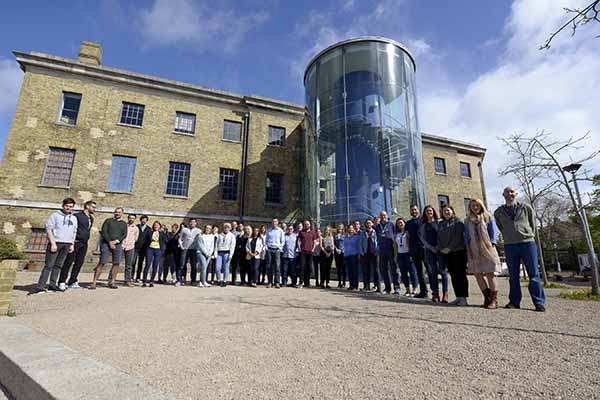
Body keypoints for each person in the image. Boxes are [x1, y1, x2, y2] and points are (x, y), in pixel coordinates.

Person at [494, 187, 546, 312]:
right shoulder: (498, 212)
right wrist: (508, 236)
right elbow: (500, 227)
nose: (509, 194)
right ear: (503, 194)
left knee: (533, 274)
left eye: (512, 192)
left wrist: (526, 234)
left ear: (515, 194)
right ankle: (514, 301)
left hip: (527, 244)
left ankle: (538, 302)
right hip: (510, 245)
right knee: (513, 275)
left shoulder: (525, 207)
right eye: (507, 192)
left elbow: (532, 224)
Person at [34, 198, 78, 293]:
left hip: (66, 244)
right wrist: (53, 243)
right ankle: (40, 286)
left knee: (58, 265)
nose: (68, 208)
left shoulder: (74, 218)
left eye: (71, 206)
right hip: (56, 242)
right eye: (67, 206)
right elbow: (49, 229)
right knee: (49, 265)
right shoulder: (55, 215)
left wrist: (72, 244)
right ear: (63, 206)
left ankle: (52, 285)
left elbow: (74, 232)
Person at [465, 199, 501, 309]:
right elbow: (466, 236)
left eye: (477, 205)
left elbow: (493, 234)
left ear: (481, 206)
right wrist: (468, 248)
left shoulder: (488, 217)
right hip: (473, 248)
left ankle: (494, 300)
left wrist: (492, 246)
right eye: (473, 206)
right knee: (477, 274)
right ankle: (487, 298)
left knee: (490, 274)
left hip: (487, 247)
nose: (475, 207)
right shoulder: (467, 221)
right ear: (470, 207)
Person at [58, 200, 95, 290]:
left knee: (79, 263)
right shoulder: (77, 216)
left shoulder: (91, 218)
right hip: (76, 242)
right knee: (68, 262)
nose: (94, 209)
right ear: (87, 206)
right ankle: (62, 281)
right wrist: (72, 242)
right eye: (93, 207)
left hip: (84, 243)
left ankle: (72, 281)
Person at [438, 206, 469, 306]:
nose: (446, 212)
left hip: (458, 252)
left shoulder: (458, 223)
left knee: (460, 275)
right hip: (446, 253)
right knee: (453, 276)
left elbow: (458, 237)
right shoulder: (441, 224)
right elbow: (438, 237)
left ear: (452, 211)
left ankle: (463, 298)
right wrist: (441, 248)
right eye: (444, 211)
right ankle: (458, 297)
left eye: (448, 210)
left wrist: (449, 248)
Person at [90, 207, 127, 290]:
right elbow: (104, 232)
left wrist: (116, 241)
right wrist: (110, 241)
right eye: (116, 212)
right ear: (114, 212)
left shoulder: (124, 223)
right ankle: (94, 282)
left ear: (122, 213)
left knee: (116, 263)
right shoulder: (108, 221)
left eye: (119, 212)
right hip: (106, 244)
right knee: (102, 262)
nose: (117, 213)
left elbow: (124, 234)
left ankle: (112, 282)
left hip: (117, 244)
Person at [419, 205, 448, 303]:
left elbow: (443, 236)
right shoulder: (423, 226)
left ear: (433, 212)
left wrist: (439, 247)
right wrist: (431, 248)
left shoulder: (439, 223)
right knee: (433, 272)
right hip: (430, 251)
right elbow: (423, 239)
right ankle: (435, 293)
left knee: (443, 272)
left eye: (430, 211)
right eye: (427, 211)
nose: (429, 213)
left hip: (441, 250)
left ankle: (445, 294)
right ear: (425, 213)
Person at [406, 205, 428, 298]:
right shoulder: (408, 223)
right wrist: (409, 248)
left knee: (429, 269)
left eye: (415, 209)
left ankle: (435, 292)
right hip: (414, 249)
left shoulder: (423, 220)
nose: (414, 211)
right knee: (419, 271)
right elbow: (408, 236)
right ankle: (424, 291)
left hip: (424, 248)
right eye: (412, 210)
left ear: (418, 210)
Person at [375, 211, 400, 294]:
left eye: (384, 215)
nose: (383, 217)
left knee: (394, 269)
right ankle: (387, 288)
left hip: (391, 249)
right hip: (382, 250)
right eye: (381, 216)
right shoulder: (378, 226)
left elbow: (396, 235)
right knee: (383, 269)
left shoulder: (391, 224)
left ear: (387, 216)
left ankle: (397, 288)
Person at [393, 218, 418, 296]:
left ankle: (415, 289)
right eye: (398, 223)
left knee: (412, 272)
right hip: (400, 255)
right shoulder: (397, 234)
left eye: (401, 222)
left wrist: (411, 254)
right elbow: (395, 246)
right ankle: (407, 289)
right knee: (403, 273)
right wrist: (396, 256)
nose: (400, 224)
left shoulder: (408, 233)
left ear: (404, 223)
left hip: (408, 254)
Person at [142, 221, 167, 287]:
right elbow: (146, 241)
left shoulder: (162, 233)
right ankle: (144, 281)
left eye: (158, 225)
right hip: (150, 249)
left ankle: (151, 281)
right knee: (147, 264)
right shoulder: (150, 232)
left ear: (160, 226)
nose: (156, 226)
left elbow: (166, 240)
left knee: (155, 265)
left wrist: (164, 232)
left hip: (158, 250)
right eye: (155, 225)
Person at [178, 218, 201, 286]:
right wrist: (181, 246)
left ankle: (193, 280)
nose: (192, 223)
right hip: (185, 249)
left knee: (193, 265)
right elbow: (180, 239)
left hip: (194, 250)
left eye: (193, 222)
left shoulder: (199, 231)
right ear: (189, 223)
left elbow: (201, 241)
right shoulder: (184, 229)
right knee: (182, 264)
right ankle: (181, 279)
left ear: (196, 223)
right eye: (191, 222)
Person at [360, 219, 379, 292]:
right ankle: (366, 286)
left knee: (375, 270)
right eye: (367, 223)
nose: (368, 224)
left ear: (372, 224)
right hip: (365, 253)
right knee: (366, 270)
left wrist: (376, 250)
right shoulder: (363, 233)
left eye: (370, 223)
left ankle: (376, 285)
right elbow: (360, 243)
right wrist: (362, 252)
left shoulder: (375, 232)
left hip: (374, 253)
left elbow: (378, 241)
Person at [265, 218, 285, 288]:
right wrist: (266, 248)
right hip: (269, 250)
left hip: (277, 250)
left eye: (275, 221)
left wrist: (280, 248)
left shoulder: (280, 231)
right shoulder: (269, 230)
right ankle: (270, 282)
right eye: (273, 221)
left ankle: (277, 282)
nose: (274, 222)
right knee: (269, 267)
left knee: (277, 267)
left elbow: (282, 241)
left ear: (277, 222)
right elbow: (266, 240)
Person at [122, 214, 139, 287]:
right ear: (128, 218)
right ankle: (111, 279)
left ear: (135, 219)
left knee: (129, 265)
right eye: (130, 218)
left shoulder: (136, 228)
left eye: (133, 218)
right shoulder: (123, 226)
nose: (131, 219)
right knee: (116, 263)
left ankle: (127, 280)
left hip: (130, 247)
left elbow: (136, 238)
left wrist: (131, 243)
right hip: (121, 246)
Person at [297, 220, 315, 287]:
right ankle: (301, 282)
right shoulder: (301, 232)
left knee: (309, 267)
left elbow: (315, 241)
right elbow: (299, 241)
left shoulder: (312, 233)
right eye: (305, 224)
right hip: (303, 252)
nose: (306, 225)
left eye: (307, 224)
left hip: (310, 252)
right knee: (302, 267)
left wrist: (313, 249)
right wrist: (299, 249)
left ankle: (307, 282)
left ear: (310, 225)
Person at [133, 215, 151, 282]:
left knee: (140, 263)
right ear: (140, 220)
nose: (144, 221)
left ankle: (138, 277)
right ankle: (131, 276)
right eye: (143, 219)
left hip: (143, 249)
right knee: (133, 262)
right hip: (135, 247)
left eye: (145, 220)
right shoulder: (137, 227)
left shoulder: (148, 229)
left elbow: (149, 239)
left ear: (146, 221)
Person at [343, 225, 361, 291]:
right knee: (349, 271)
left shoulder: (357, 237)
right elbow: (344, 246)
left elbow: (359, 246)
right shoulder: (345, 237)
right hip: (347, 255)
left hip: (354, 255)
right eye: (349, 228)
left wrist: (359, 254)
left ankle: (355, 285)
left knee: (355, 271)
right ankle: (351, 285)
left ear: (354, 229)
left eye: (351, 228)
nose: (350, 230)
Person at [334, 224, 346, 288]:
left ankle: (343, 282)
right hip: (337, 253)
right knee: (338, 268)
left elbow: (346, 243)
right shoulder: (335, 236)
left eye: (341, 227)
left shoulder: (345, 235)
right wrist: (336, 249)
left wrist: (341, 249)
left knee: (343, 268)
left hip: (343, 253)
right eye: (339, 227)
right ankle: (339, 282)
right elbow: (334, 243)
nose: (339, 229)